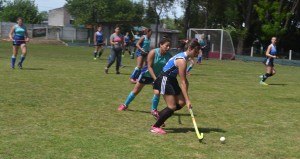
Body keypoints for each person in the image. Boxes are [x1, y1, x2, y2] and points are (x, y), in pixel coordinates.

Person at [150, 40, 201, 134]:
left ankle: (160, 115)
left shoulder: (183, 57)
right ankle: (155, 126)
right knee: (172, 106)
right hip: (165, 79)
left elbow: (183, 79)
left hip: (172, 79)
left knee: (181, 102)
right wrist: (188, 99)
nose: (197, 54)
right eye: (195, 51)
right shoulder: (182, 61)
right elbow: (182, 82)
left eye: (198, 52)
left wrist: (185, 97)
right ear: (189, 49)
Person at [118, 38, 172, 119]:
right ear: (161, 45)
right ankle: (125, 105)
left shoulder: (168, 56)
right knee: (136, 91)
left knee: (157, 93)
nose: (168, 48)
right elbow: (149, 67)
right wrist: (155, 79)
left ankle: (153, 110)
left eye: (169, 46)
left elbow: (170, 67)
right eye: (166, 46)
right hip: (146, 74)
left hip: (157, 77)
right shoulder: (153, 52)